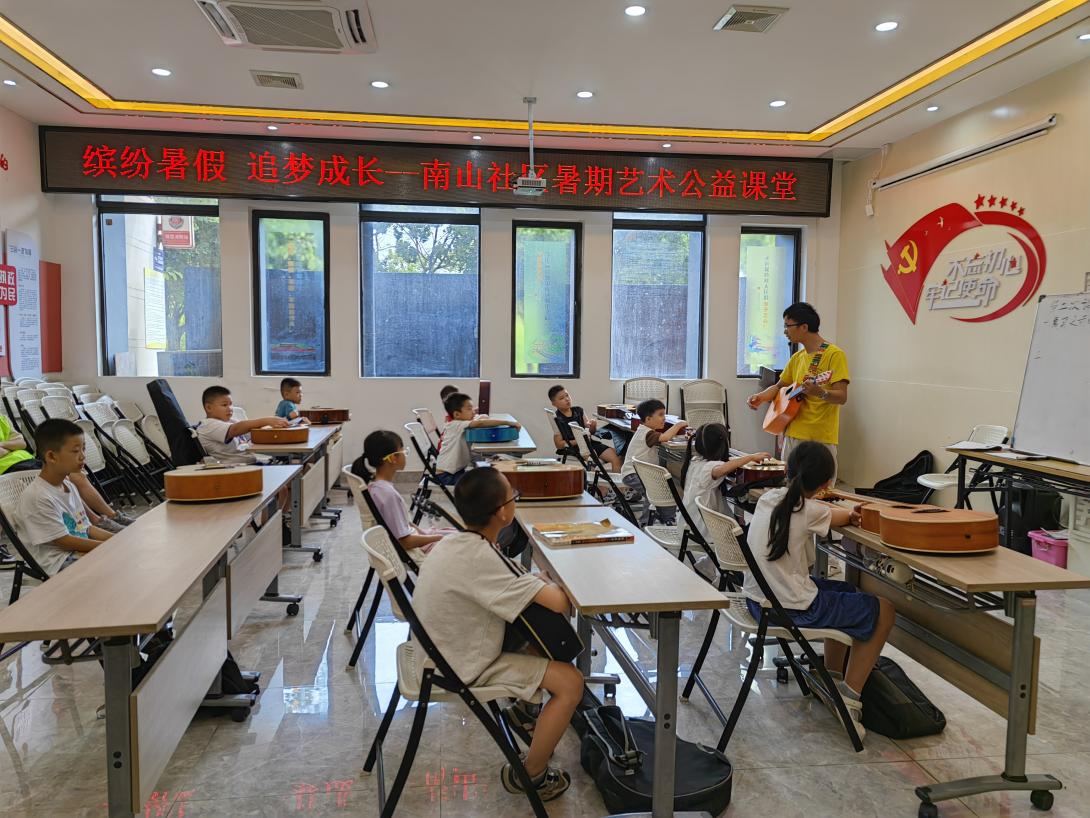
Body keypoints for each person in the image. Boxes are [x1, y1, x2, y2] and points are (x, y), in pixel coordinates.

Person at [411, 467, 583, 801]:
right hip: (457, 664)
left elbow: (519, 583)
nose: (515, 501)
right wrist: (550, 578)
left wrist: (541, 580)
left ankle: (526, 711)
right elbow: (559, 602)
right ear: (503, 512)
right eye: (513, 496)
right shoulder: (482, 557)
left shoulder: (457, 542)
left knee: (535, 637)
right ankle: (532, 775)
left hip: (441, 648)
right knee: (571, 683)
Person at [742, 440, 894, 739]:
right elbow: (842, 516)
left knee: (846, 590)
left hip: (758, 601)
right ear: (826, 485)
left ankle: (831, 678)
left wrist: (824, 506)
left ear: (787, 470)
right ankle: (850, 698)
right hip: (787, 609)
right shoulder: (808, 510)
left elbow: (817, 510)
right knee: (884, 610)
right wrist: (850, 513)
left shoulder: (769, 498)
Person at [746, 302, 849, 482]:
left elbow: (842, 396)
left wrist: (820, 392)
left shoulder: (834, 354)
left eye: (788, 326)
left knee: (821, 490)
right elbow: (779, 387)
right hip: (792, 434)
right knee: (790, 486)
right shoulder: (797, 358)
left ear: (804, 327)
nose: (785, 331)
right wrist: (761, 397)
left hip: (820, 437)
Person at [0, 412, 134, 531]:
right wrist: (10, 446)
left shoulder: (2, 418)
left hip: (28, 460)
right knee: (63, 480)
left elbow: (21, 443)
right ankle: (94, 521)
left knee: (77, 476)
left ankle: (113, 516)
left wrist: (3, 444)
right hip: (8, 469)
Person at [15, 419, 114, 575]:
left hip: (75, 550)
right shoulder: (37, 496)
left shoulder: (69, 485)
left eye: (83, 449)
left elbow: (85, 528)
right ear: (51, 457)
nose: (83, 456)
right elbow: (63, 541)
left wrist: (116, 539)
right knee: (116, 563)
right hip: (58, 560)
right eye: (75, 451)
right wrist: (110, 546)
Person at [351, 430, 444, 555]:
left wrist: (426, 534)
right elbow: (405, 542)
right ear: (393, 458)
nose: (405, 454)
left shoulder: (376, 487)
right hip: (412, 551)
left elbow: (402, 524)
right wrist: (439, 538)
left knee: (453, 534)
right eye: (403, 451)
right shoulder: (388, 495)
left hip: (410, 539)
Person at [680, 423, 769, 540]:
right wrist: (751, 457)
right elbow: (719, 470)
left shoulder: (694, 461)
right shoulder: (709, 467)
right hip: (707, 533)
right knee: (762, 526)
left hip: (689, 527)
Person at [620, 398, 688, 524]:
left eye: (664, 415)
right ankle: (647, 522)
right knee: (654, 491)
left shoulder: (645, 430)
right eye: (661, 415)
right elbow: (665, 437)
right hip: (632, 474)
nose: (664, 418)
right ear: (648, 419)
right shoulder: (647, 433)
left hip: (638, 473)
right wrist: (678, 424)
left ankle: (665, 519)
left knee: (660, 490)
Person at [435, 392, 519, 486]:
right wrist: (508, 422)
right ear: (457, 414)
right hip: (446, 476)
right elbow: (480, 423)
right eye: (469, 409)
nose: (473, 412)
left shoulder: (460, 424)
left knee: (486, 473)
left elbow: (478, 421)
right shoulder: (455, 425)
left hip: (454, 472)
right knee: (484, 481)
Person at [196, 386, 289, 464]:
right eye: (224, 405)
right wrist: (266, 420)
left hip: (250, 463)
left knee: (287, 464)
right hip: (235, 469)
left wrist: (273, 426)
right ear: (208, 407)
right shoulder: (208, 425)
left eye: (231, 404)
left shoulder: (231, 421)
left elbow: (253, 433)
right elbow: (236, 429)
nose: (230, 408)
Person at [547, 385, 621, 472]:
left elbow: (591, 432)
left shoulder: (579, 410)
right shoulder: (557, 418)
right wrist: (579, 440)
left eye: (567, 395)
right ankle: (596, 478)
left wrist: (593, 426)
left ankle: (617, 481)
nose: (567, 399)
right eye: (561, 398)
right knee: (595, 462)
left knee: (617, 457)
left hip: (590, 444)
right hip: (576, 448)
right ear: (554, 404)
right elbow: (559, 445)